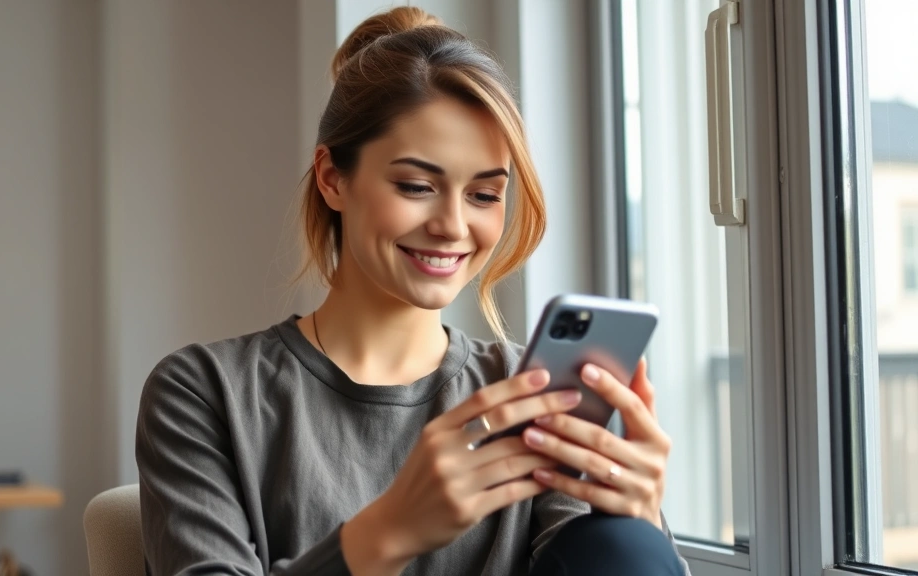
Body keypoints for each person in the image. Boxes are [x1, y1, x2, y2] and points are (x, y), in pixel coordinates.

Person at [136, 7, 690, 576]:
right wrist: (391, 530)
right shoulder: (205, 393)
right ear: (332, 178)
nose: (453, 225)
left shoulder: (528, 397)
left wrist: (639, 521)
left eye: (483, 195)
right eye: (417, 185)